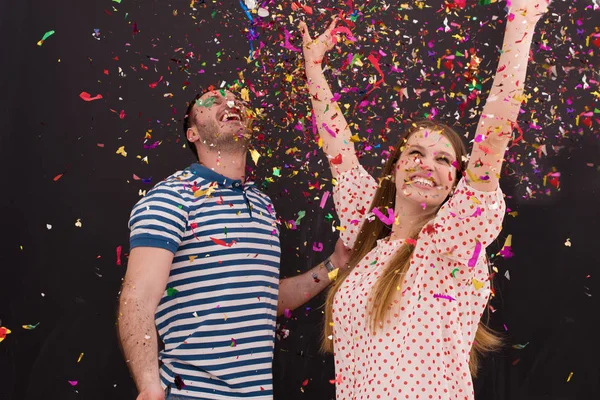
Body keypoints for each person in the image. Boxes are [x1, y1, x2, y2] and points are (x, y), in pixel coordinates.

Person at [298, 0, 551, 398]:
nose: (426, 165)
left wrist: (521, 21)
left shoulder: (455, 240)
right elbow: (339, 150)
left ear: (455, 183)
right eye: (415, 153)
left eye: (443, 159)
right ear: (396, 167)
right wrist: (314, 68)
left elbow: (496, 131)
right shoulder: (368, 227)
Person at [117, 88, 351, 400]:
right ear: (192, 132)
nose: (230, 102)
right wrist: (149, 386)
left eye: (236, 99)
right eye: (212, 101)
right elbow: (137, 297)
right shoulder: (171, 197)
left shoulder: (262, 204)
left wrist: (333, 265)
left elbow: (263, 299)